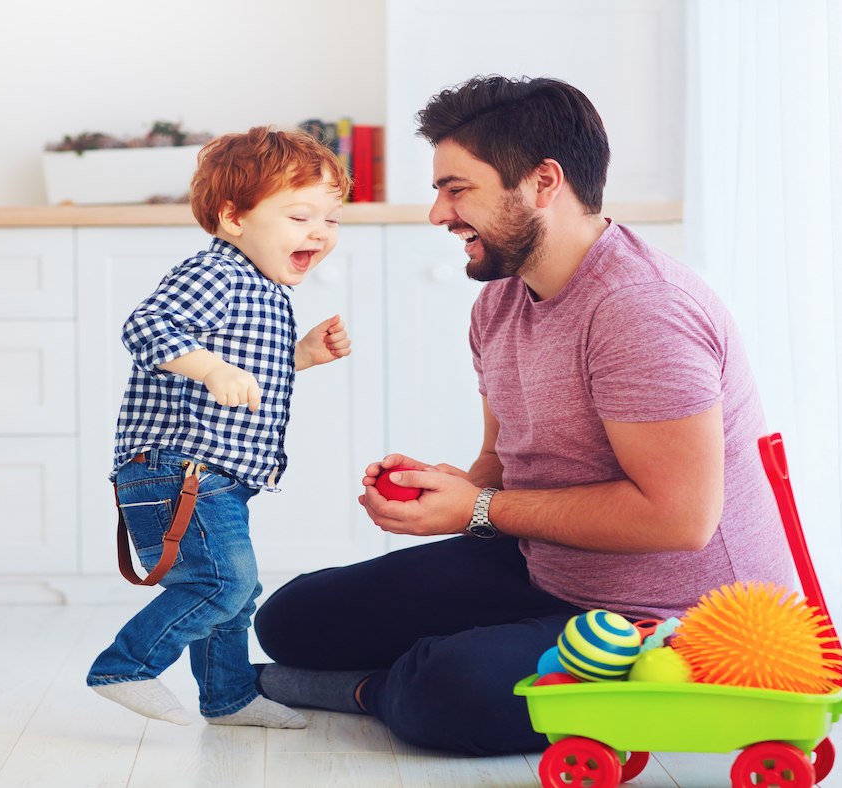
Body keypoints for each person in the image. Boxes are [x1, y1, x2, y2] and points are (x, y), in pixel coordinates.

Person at [251, 76, 796, 755]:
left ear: (543, 182)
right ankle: (440, 662)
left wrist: (478, 510)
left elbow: (679, 519)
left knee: (449, 691)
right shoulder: (501, 300)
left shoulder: (640, 311)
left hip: (670, 616)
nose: (438, 214)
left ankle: (375, 689)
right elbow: (502, 466)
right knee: (293, 620)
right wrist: (446, 489)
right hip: (552, 568)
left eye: (457, 189)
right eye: (439, 190)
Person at [87, 127, 352, 730]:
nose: (320, 232)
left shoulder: (265, 283)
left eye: (331, 220)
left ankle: (228, 696)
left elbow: (246, 374)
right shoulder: (218, 273)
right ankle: (124, 665)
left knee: (234, 591)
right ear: (234, 218)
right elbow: (146, 327)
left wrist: (301, 355)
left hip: (215, 472)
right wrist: (210, 367)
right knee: (222, 584)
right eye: (300, 216)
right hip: (178, 467)